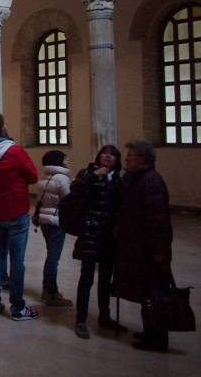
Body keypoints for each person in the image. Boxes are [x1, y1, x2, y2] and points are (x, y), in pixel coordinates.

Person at [113, 140, 174, 352]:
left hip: (149, 249)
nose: (126, 158)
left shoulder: (151, 181)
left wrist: (159, 250)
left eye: (130, 155)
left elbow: (158, 220)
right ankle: (150, 330)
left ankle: (157, 337)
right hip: (138, 246)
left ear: (141, 158)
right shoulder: (136, 179)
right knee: (146, 292)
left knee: (154, 293)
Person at [0, 111, 39, 321]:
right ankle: (18, 307)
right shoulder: (14, 151)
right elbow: (33, 175)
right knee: (17, 260)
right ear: (3, 126)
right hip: (16, 210)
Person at [71, 145, 125, 339]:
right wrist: (94, 176)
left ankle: (105, 316)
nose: (108, 157)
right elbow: (75, 190)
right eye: (105, 153)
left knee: (105, 279)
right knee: (86, 278)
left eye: (112, 155)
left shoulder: (118, 179)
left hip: (109, 235)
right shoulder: (88, 173)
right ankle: (81, 319)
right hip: (90, 232)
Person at [36, 150, 72, 307]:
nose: (68, 161)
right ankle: (51, 292)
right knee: (53, 258)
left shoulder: (43, 179)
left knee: (50, 255)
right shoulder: (63, 179)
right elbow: (68, 200)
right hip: (57, 221)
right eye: (66, 159)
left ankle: (47, 290)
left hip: (44, 220)